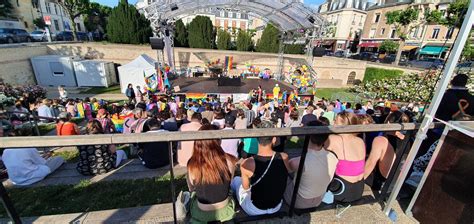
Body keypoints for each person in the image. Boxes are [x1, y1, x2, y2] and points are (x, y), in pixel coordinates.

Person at [231, 121, 290, 216]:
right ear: (274, 139)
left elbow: (246, 188)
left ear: (257, 138)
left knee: (236, 180)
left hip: (255, 209)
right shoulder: (284, 157)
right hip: (276, 207)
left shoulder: (247, 163)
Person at [187, 124, 238, 223]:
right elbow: (229, 182)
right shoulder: (229, 160)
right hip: (225, 211)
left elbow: (192, 187)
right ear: (217, 141)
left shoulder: (192, 163)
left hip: (200, 214)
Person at [284, 120, 338, 209]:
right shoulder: (333, 157)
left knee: (282, 175)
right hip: (319, 199)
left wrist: (284, 157)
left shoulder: (298, 161)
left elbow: (288, 169)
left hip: (298, 201)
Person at [326, 112, 365, 203]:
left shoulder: (333, 139)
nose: (333, 123)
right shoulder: (360, 141)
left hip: (342, 189)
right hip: (359, 189)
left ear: (344, 125)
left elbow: (319, 156)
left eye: (336, 121)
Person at [364, 111, 409, 190]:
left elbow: (371, 163)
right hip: (398, 182)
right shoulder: (408, 140)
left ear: (388, 122)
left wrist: (356, 182)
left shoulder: (381, 140)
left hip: (382, 183)